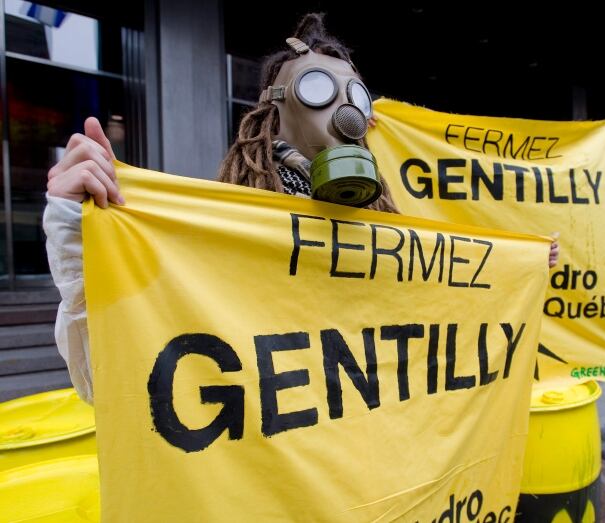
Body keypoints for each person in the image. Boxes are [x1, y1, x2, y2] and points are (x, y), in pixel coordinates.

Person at [44, 13, 560, 403]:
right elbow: (118, 381)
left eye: (356, 94)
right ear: (276, 104)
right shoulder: (227, 228)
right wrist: (77, 243)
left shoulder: (394, 235)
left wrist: (512, 273)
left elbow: (444, 341)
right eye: (319, 89)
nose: (344, 110)